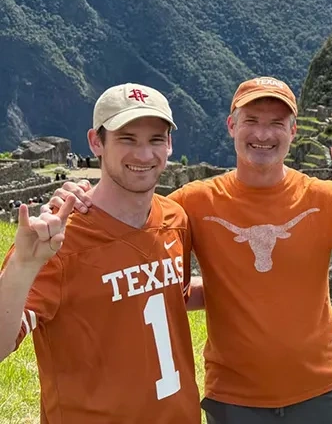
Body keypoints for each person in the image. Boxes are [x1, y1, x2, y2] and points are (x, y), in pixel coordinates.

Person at [53, 76, 332, 424]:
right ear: (231, 125)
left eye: (276, 123)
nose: (262, 134)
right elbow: (138, 229)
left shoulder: (325, 199)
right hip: (233, 398)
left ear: (293, 131)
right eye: (251, 121)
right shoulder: (193, 204)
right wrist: (84, 200)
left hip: (317, 391)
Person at [0, 83, 200, 423]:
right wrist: (22, 265)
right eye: (127, 139)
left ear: (169, 145)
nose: (143, 154)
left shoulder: (175, 220)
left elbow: (171, 297)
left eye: (155, 140)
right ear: (96, 142)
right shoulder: (61, 241)